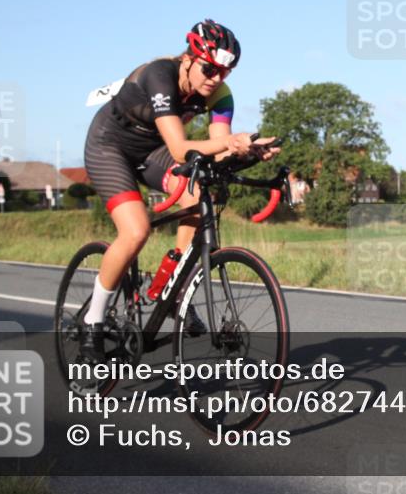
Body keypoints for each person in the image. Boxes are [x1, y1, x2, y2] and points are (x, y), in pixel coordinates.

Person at [81, 19, 279, 362]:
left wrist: (248, 149)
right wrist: (229, 144)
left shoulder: (220, 95)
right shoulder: (160, 75)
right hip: (109, 146)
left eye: (224, 72)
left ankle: (171, 288)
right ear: (189, 57)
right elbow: (178, 148)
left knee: (199, 189)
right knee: (136, 230)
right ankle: (92, 321)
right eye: (209, 68)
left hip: (149, 151)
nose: (216, 78)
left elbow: (218, 148)